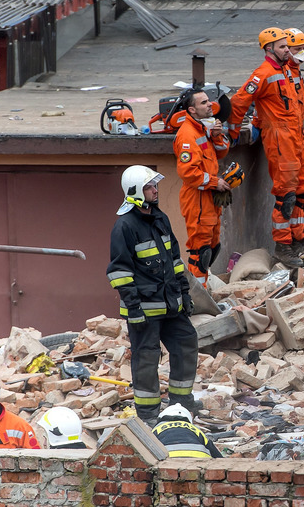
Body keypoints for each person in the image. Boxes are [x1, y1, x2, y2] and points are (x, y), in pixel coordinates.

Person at [226, 27, 304, 268]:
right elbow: (239, 102)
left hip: (297, 138)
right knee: (286, 197)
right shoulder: (264, 73)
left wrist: (261, 120)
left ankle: (300, 240)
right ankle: (283, 247)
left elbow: (282, 104)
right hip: (281, 141)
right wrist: (232, 132)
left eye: (287, 46)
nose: (288, 50)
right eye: (283, 47)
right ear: (269, 49)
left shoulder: (287, 71)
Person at [107, 165, 200, 426]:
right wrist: (134, 309)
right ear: (135, 191)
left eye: (155, 186)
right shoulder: (124, 226)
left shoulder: (160, 218)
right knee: (147, 358)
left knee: (186, 343)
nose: (155, 190)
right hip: (145, 310)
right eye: (149, 187)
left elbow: (175, 261)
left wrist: (184, 293)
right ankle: (148, 414)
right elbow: (119, 272)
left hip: (171, 305)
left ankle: (181, 404)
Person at [173, 87, 232, 288]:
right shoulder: (188, 135)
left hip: (209, 198)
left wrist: (216, 136)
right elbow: (188, 172)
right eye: (204, 103)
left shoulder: (203, 129)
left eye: (209, 101)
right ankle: (197, 297)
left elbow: (222, 153)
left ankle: (203, 289)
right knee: (201, 251)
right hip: (197, 199)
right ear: (192, 110)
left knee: (212, 247)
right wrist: (216, 182)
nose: (210, 106)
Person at [152, 404, 224, 458]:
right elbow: (218, 458)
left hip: (166, 464)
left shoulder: (156, 430)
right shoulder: (196, 430)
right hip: (199, 465)